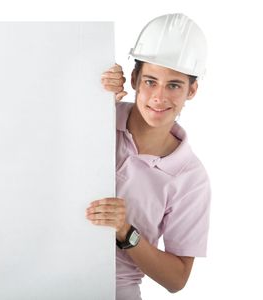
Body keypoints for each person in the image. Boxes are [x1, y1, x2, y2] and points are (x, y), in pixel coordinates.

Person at [85, 13, 211, 300]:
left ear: (192, 90)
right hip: (44, 275)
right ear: (133, 79)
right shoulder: (98, 115)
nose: (159, 96)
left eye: (174, 85)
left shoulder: (190, 178)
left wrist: (126, 231)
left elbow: (177, 279)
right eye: (151, 81)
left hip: (116, 291)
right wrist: (90, 91)